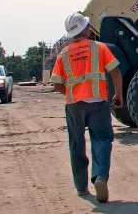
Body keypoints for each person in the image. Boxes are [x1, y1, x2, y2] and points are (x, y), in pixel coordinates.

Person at [50, 12, 123, 202]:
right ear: (85, 29)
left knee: (77, 143)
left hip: (74, 105)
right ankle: (99, 176)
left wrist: (71, 93)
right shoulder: (99, 47)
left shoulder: (63, 54)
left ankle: (81, 187)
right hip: (98, 102)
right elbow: (115, 72)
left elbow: (57, 83)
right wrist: (118, 94)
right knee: (102, 140)